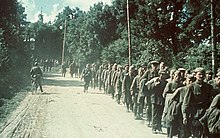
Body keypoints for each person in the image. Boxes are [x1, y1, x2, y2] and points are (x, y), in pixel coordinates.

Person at [182, 67, 213, 138]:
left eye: (203, 74)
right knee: (196, 133)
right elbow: (186, 103)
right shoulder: (191, 87)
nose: (201, 76)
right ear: (195, 75)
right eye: (199, 74)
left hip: (206, 113)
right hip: (195, 114)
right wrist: (185, 116)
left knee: (206, 133)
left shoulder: (208, 87)